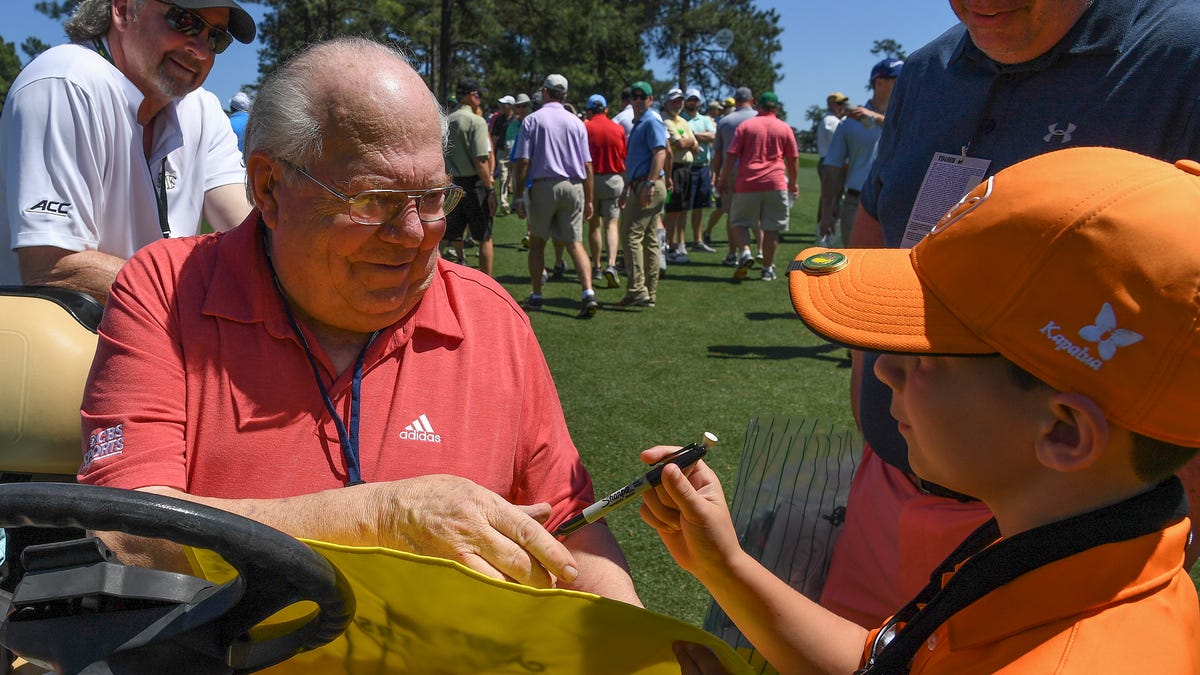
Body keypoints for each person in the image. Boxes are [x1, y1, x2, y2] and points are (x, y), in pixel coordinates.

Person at [77, 36, 640, 605]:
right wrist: (377, 519)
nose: (415, 233)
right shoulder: (167, 291)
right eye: (374, 201)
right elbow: (126, 532)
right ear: (269, 187)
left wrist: (634, 642)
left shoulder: (490, 318)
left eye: (433, 199)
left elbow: (572, 524)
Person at [645, 147, 1200, 673]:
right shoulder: (1068, 548)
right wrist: (723, 564)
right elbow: (892, 660)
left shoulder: (1062, 654)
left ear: (1062, 430)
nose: (885, 368)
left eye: (932, 351)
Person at [825, 0, 1200, 630]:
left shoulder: (1183, 56)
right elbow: (882, 217)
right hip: (893, 475)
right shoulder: (925, 69)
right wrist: (869, 371)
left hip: (1063, 531)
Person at [0, 0, 255, 304]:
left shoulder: (201, 109)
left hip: (152, 333)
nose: (200, 50)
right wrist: (195, 297)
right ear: (122, 10)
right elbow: (51, 267)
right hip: (60, 338)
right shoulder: (66, 83)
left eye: (216, 38)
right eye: (185, 21)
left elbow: (249, 231)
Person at [512, 74, 598, 318]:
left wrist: (519, 195)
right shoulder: (576, 122)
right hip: (573, 186)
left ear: (545, 92)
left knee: (538, 242)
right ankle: (588, 292)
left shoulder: (532, 120)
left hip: (544, 186)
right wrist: (590, 199)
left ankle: (537, 295)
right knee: (575, 244)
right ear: (565, 95)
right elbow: (588, 165)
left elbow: (524, 161)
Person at [818, 59, 900, 249]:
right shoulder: (849, 123)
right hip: (858, 204)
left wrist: (876, 118)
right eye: (898, 79)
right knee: (855, 270)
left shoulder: (907, 117)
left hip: (898, 205)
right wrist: (827, 212)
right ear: (880, 83)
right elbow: (833, 169)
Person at [721, 92, 797, 283]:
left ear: (757, 105)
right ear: (777, 108)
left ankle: (745, 251)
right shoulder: (784, 127)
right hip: (776, 182)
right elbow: (792, 158)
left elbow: (731, 155)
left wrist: (722, 178)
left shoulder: (746, 126)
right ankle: (767, 269)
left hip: (748, 182)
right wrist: (793, 183)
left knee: (738, 222)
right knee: (772, 228)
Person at [614, 81, 666, 309]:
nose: (637, 100)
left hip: (647, 185)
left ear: (650, 99)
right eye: (634, 96)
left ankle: (638, 289)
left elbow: (661, 152)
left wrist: (650, 183)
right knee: (649, 239)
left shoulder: (651, 120)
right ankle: (646, 292)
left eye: (642, 96)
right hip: (639, 185)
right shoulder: (640, 123)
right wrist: (627, 188)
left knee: (630, 236)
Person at [444, 77, 497, 275]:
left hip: (451, 185)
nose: (480, 99)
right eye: (478, 94)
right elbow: (481, 160)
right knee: (485, 236)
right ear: (471, 95)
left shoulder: (446, 121)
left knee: (449, 236)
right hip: (474, 185)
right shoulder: (476, 121)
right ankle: (488, 283)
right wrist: (490, 189)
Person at [708, 86, 755, 267]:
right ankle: (759, 254)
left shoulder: (725, 121)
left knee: (732, 214)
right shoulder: (759, 118)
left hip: (731, 171)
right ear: (752, 100)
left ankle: (732, 253)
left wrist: (717, 175)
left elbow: (718, 153)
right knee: (755, 215)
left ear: (735, 101)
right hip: (754, 171)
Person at [583, 93, 626, 289]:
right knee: (612, 224)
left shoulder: (586, 127)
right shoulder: (618, 128)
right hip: (614, 179)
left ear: (590, 110)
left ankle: (597, 266)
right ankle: (611, 264)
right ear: (607, 109)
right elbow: (623, 155)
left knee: (594, 225)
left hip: (592, 179)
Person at [661, 87, 697, 266]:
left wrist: (689, 142)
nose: (678, 104)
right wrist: (689, 141)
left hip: (686, 170)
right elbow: (683, 143)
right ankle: (666, 246)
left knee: (681, 209)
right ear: (667, 102)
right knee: (671, 210)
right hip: (673, 170)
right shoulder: (665, 120)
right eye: (675, 101)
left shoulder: (682, 121)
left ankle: (673, 244)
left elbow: (695, 147)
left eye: (680, 101)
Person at [681, 88, 717, 254]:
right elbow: (681, 141)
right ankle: (679, 242)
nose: (693, 102)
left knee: (699, 207)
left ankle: (697, 240)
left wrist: (693, 135)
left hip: (703, 167)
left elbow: (712, 136)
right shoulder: (680, 119)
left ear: (699, 102)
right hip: (685, 167)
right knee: (681, 207)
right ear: (685, 101)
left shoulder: (705, 119)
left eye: (695, 100)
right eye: (690, 100)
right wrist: (699, 137)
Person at [814, 91, 847, 232]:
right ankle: (827, 226)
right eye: (839, 103)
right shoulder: (832, 121)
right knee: (832, 196)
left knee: (828, 196)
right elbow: (840, 142)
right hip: (832, 163)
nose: (842, 106)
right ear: (831, 104)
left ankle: (824, 225)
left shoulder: (831, 119)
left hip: (829, 161)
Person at [490, 95, 516, 214]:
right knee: (503, 177)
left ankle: (516, 203)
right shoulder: (499, 119)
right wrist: (493, 151)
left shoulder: (517, 119)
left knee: (516, 178)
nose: (501, 106)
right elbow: (494, 136)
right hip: (502, 151)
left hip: (516, 152)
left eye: (504, 104)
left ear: (510, 106)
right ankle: (504, 202)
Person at [228, 91, 251, 155]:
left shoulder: (226, 123)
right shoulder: (256, 123)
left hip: (232, 163)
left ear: (231, 107)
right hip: (252, 163)